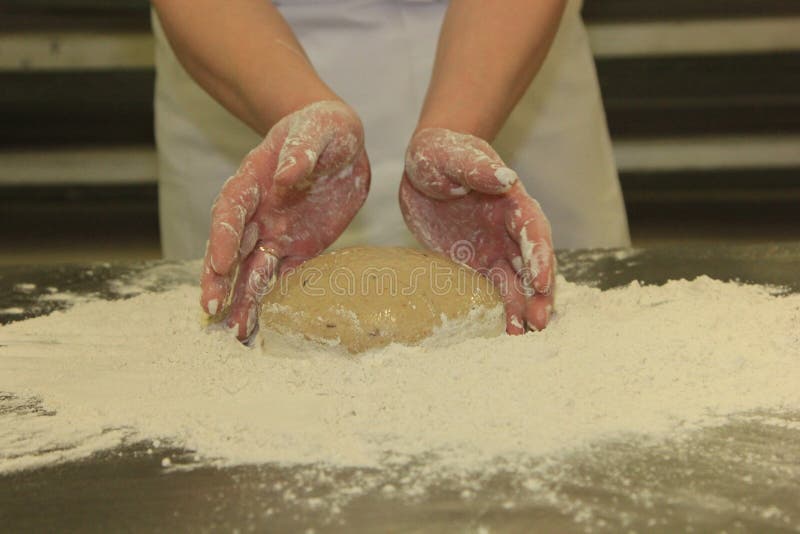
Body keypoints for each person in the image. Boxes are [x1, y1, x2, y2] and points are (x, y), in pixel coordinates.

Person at [150, 0, 630, 340]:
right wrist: (296, 112)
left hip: (502, 48)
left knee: (554, 357)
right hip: (241, 52)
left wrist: (459, 128)